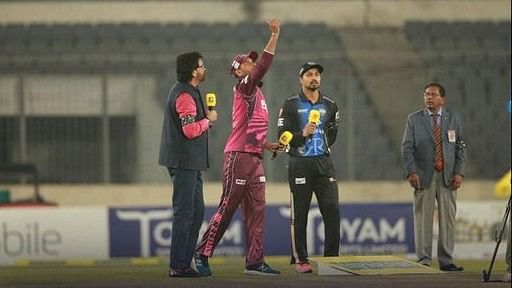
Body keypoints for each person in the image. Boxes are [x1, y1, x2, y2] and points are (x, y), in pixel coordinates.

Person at [194, 19, 282, 277]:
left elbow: (252, 131)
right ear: (237, 71)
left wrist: (268, 145)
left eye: (251, 61)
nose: (252, 63)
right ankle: (202, 253)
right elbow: (264, 66)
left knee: (257, 211)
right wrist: (274, 35)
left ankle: (254, 262)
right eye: (246, 62)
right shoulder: (244, 86)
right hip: (238, 157)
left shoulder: (257, 94)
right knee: (228, 207)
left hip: (254, 157)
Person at [276, 62, 341, 273]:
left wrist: (320, 147)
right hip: (299, 163)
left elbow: (332, 134)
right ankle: (300, 259)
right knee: (300, 213)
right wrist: (301, 135)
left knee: (331, 209)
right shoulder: (291, 104)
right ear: (301, 79)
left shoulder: (330, 105)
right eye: (310, 74)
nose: (315, 78)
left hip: (323, 163)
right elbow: (281, 136)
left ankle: (331, 259)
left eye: (317, 75)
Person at [158, 51, 217, 278]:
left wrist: (204, 121)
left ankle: (184, 262)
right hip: (184, 162)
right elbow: (190, 130)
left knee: (196, 211)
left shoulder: (190, 91)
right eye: (201, 66)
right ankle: (178, 265)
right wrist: (207, 120)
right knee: (184, 213)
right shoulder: (184, 95)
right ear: (193, 71)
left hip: (191, 163)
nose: (204, 69)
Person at [401, 82, 466, 271]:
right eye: (426, 94)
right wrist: (411, 171)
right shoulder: (413, 119)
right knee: (423, 219)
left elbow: (461, 146)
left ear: (442, 99)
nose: (429, 97)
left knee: (447, 220)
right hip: (423, 176)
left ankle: (446, 261)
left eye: (433, 94)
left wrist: (459, 172)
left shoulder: (453, 118)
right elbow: (406, 147)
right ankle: (424, 259)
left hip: (448, 177)